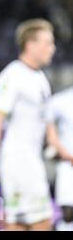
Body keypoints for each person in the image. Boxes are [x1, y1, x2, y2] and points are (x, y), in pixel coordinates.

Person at [0, 19, 56, 230]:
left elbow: (47, 127)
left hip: (33, 161)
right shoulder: (13, 75)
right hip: (18, 163)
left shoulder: (41, 78)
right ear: (30, 45)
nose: (52, 48)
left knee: (18, 224)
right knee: (42, 221)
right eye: (47, 42)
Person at [46, 86, 73, 231]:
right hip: (68, 167)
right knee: (68, 214)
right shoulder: (60, 100)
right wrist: (61, 152)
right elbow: (47, 131)